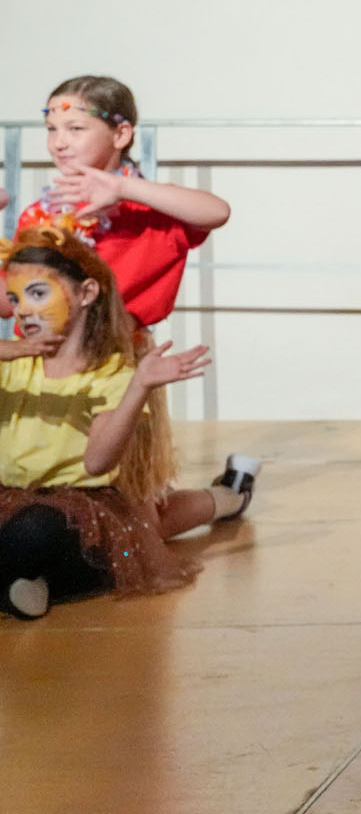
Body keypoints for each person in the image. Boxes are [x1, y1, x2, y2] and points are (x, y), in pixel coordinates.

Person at [17, 76, 254, 535]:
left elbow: (216, 211)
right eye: (51, 129)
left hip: (120, 370)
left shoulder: (151, 209)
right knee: (47, 508)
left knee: (133, 527)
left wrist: (122, 190)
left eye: (75, 129)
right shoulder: (40, 216)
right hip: (48, 373)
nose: (59, 143)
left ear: (121, 134)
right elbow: (14, 307)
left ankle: (229, 496)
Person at [0, 227, 221, 619]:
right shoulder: (13, 365)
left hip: (77, 515)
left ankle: (28, 578)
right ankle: (22, 582)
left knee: (35, 529)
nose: (23, 310)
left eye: (37, 293)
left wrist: (139, 388)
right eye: (15, 298)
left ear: (86, 293)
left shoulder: (111, 373)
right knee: (20, 530)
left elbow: (97, 463)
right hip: (10, 499)